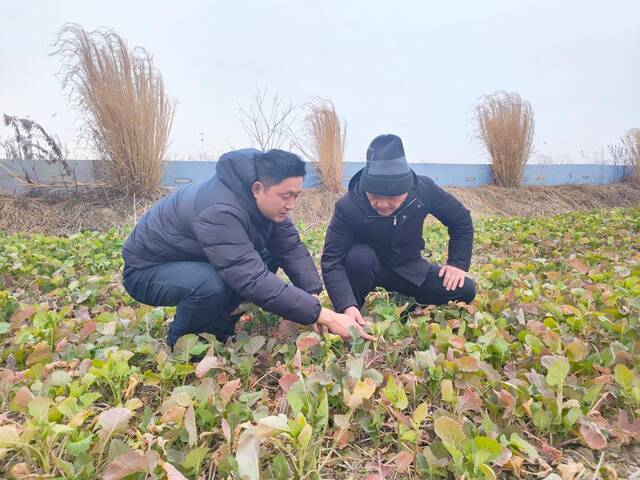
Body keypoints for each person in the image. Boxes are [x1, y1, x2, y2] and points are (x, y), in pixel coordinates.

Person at [122, 148, 373, 347]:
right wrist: (324, 315)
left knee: (264, 257)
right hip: (148, 270)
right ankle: (183, 347)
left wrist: (312, 297)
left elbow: (290, 248)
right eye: (286, 196)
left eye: (297, 195)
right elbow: (251, 278)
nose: (292, 205)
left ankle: (220, 329)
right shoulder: (219, 210)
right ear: (257, 189)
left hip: (197, 259)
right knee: (210, 284)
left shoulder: (266, 202)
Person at [321, 134, 476, 324]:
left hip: (409, 268)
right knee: (359, 257)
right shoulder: (348, 206)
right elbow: (332, 261)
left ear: (407, 189)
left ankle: (404, 303)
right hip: (367, 269)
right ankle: (355, 312)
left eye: (392, 197)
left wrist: (457, 264)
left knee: (465, 289)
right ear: (365, 187)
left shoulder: (424, 191)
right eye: (375, 195)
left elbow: (460, 219)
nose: (382, 204)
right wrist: (346, 305)